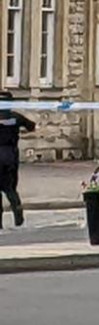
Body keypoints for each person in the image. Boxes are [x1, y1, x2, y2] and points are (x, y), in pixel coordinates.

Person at [0, 90, 35, 228]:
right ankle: (18, 216)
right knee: (10, 188)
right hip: (10, 155)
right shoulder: (15, 117)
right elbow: (31, 126)